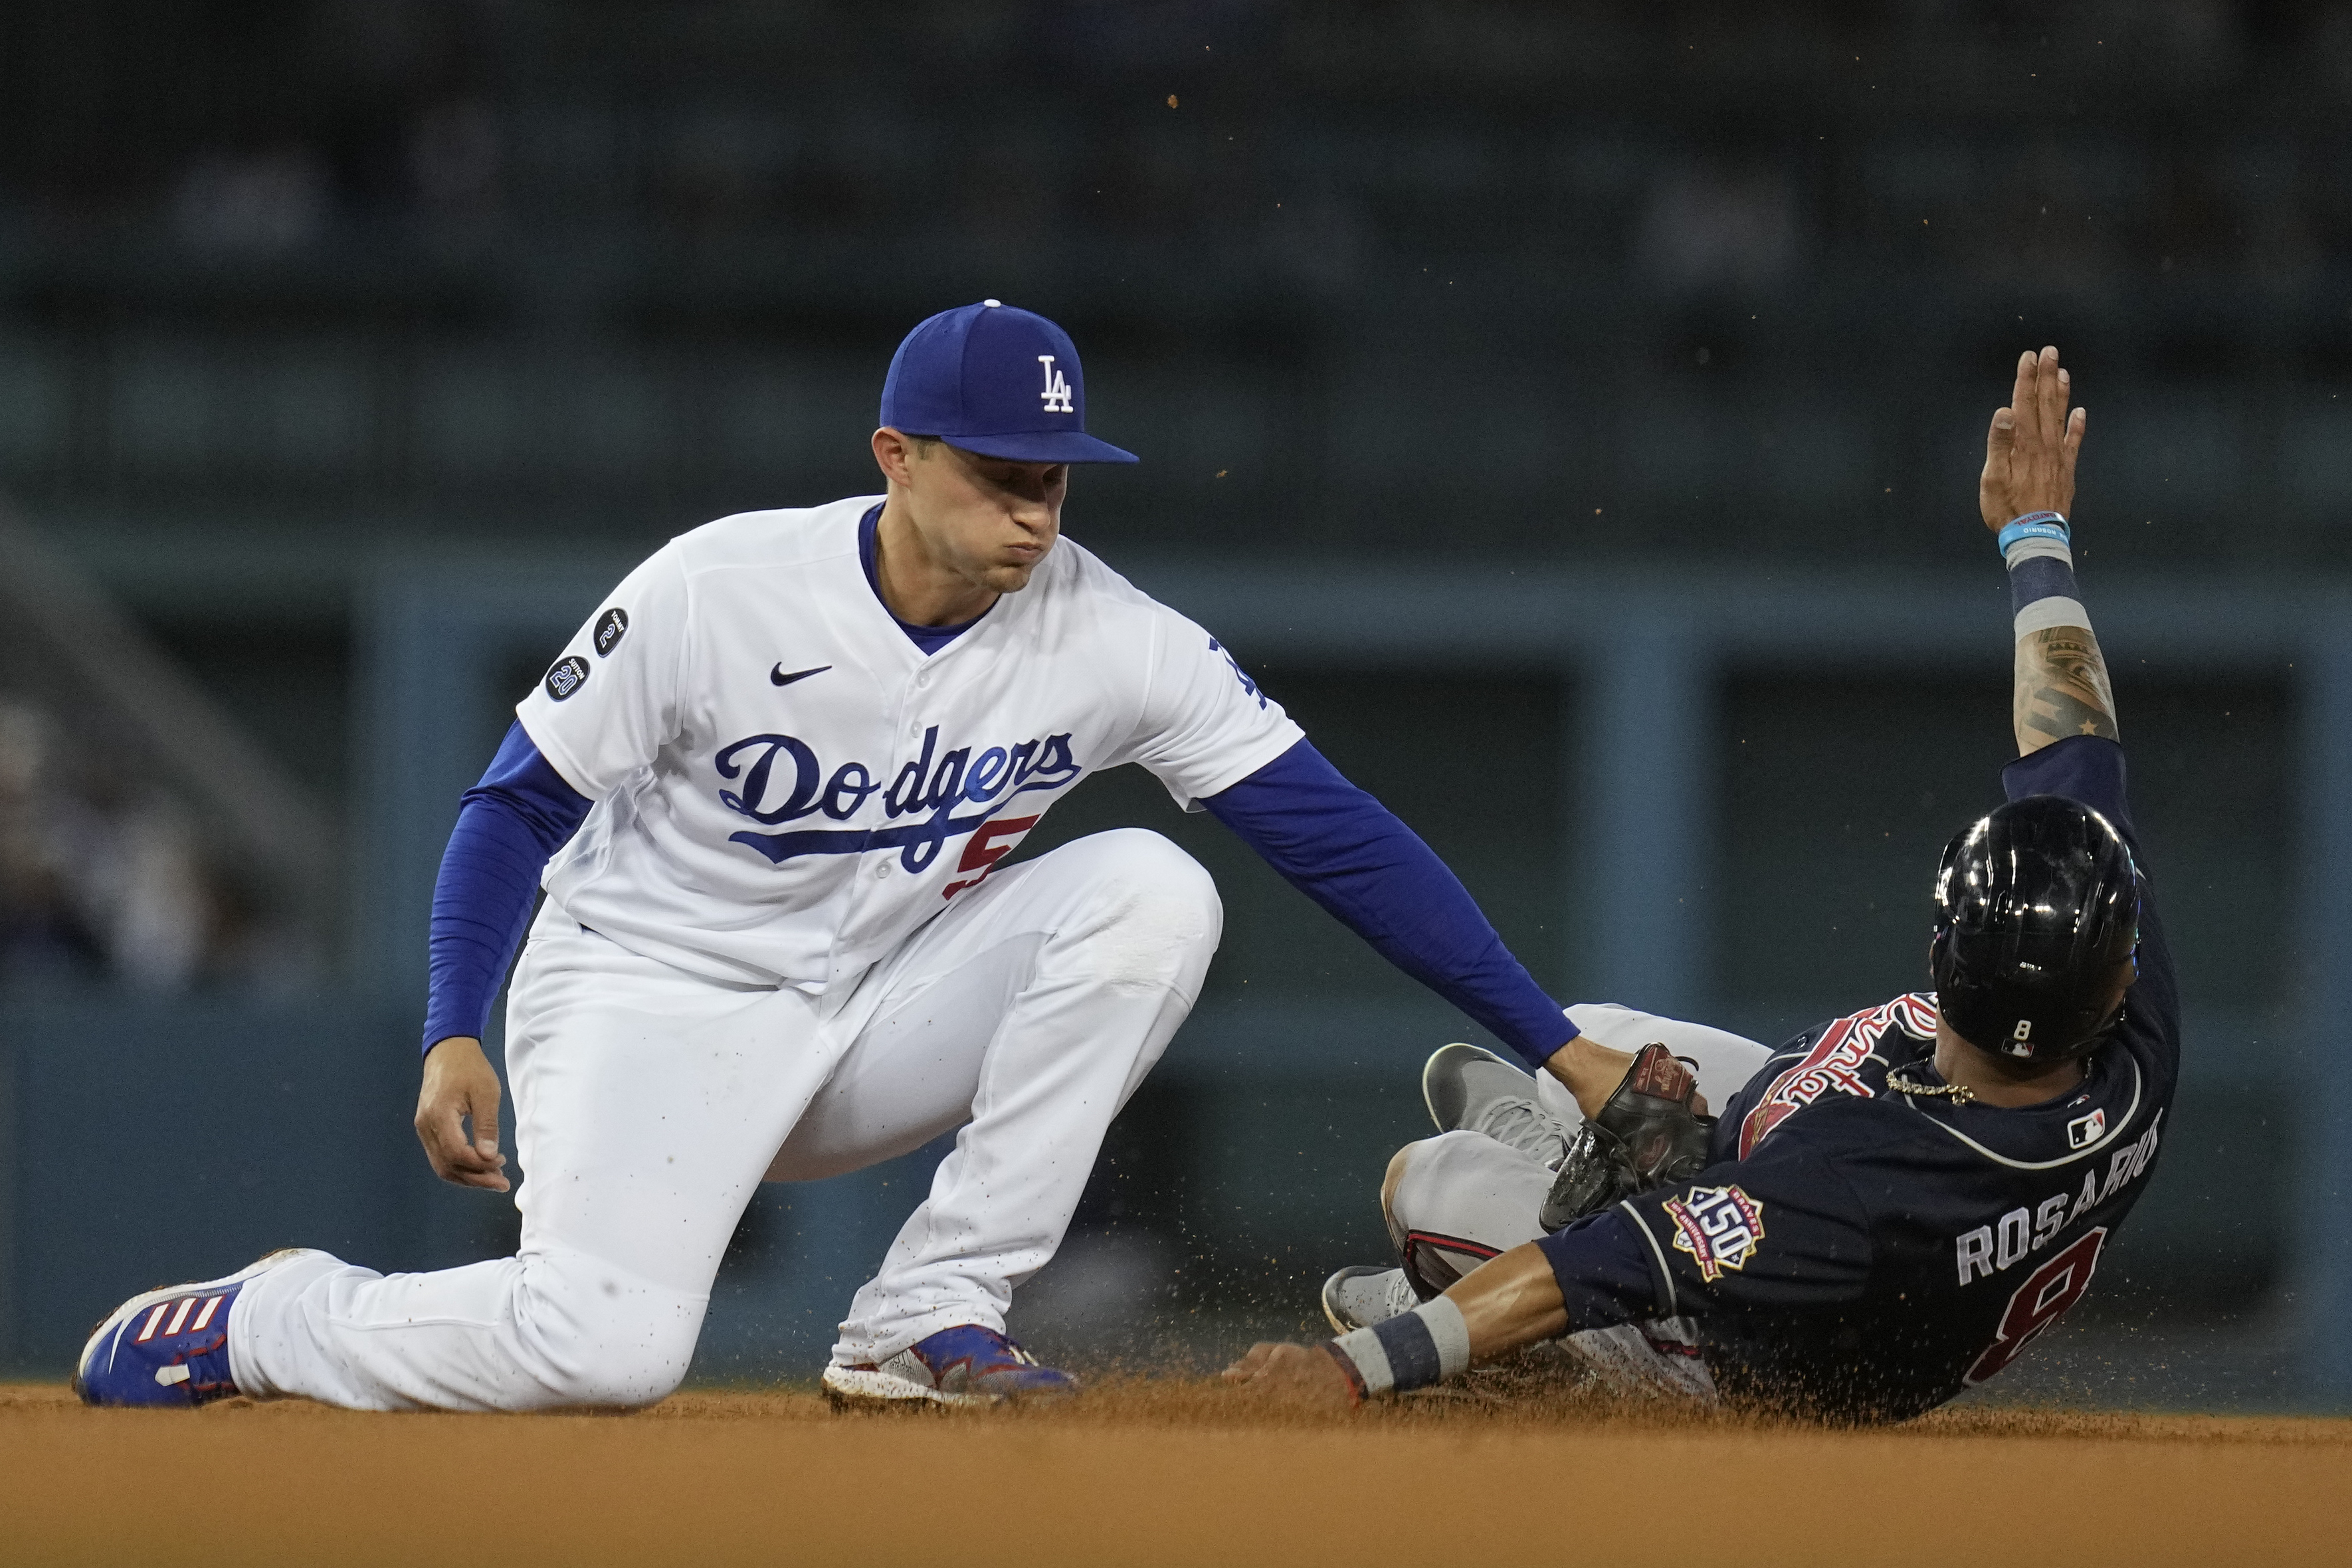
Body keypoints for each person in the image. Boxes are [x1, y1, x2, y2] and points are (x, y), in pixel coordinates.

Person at [76, 301, 1615, 1412]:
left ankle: (927, 1312)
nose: (1033, 510)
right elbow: (512, 807)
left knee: (1158, 888)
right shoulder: (722, 589)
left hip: (865, 1015)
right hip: (640, 998)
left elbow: (1336, 834)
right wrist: (452, 1023)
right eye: (996, 473)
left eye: (1054, 476)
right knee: (602, 1353)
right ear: (895, 453)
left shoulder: (1110, 634)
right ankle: (274, 1319)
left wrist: (1556, 1050)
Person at [1226, 345, 2177, 1422]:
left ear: (1938, 952)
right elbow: (2078, 744)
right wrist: (2037, 538)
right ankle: (1628, 1160)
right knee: (1582, 1034)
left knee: (1426, 1182)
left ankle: (1539, 1306)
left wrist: (1362, 1367)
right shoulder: (2132, 1031)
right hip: (1848, 1225)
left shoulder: (1859, 1177)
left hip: (1750, 1356)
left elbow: (1592, 1272)